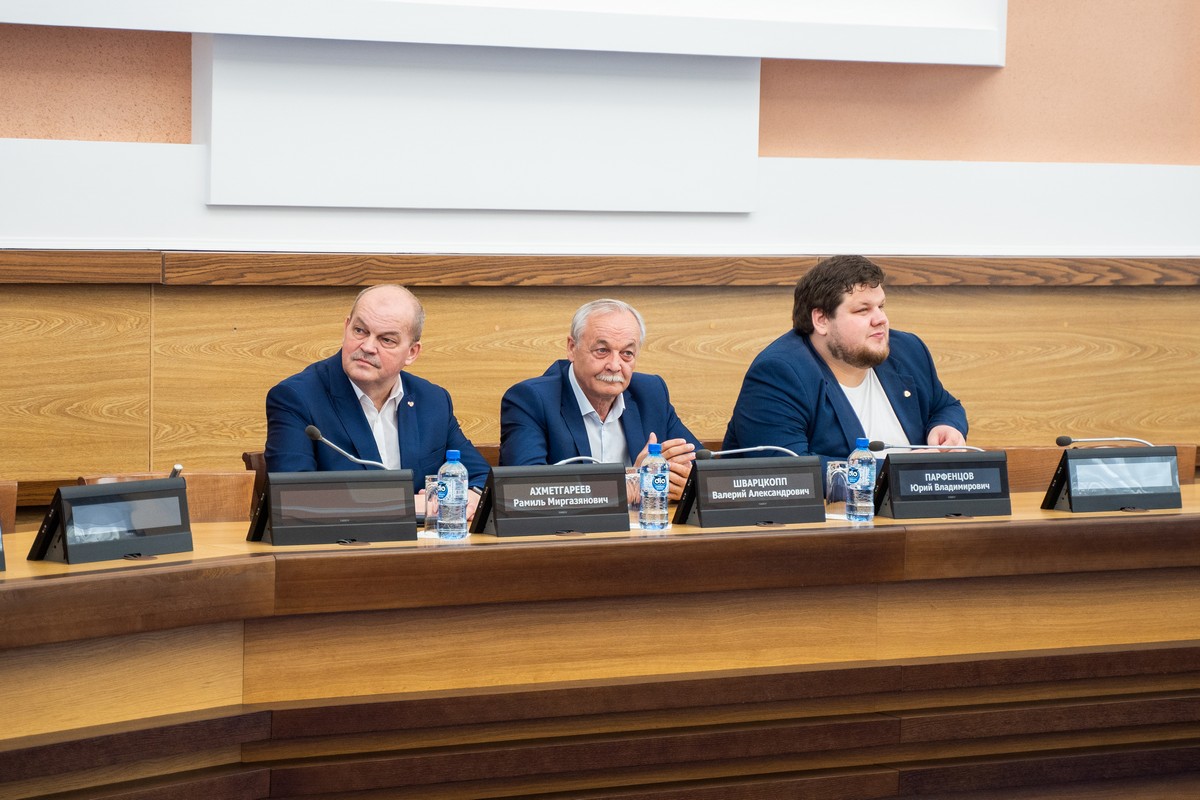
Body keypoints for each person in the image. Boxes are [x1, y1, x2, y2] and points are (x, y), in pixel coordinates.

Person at [265, 284, 489, 517]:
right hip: (343, 538)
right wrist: (405, 504)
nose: (368, 346)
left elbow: (481, 479)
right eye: (360, 331)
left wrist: (471, 498)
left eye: (387, 340)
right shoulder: (297, 398)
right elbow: (291, 498)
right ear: (346, 327)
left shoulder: (432, 401)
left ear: (412, 352)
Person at [723, 255, 967, 466]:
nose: (880, 319)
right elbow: (789, 470)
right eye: (863, 310)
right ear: (821, 320)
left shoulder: (907, 350)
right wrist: (898, 474)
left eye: (881, 306)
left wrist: (947, 427)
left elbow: (945, 406)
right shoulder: (779, 373)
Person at [500, 299, 700, 499]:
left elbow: (703, 470)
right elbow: (523, 491)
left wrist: (687, 484)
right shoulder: (531, 400)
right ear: (572, 348)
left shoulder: (651, 393)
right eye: (602, 351)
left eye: (627, 353)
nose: (615, 366)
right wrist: (631, 483)